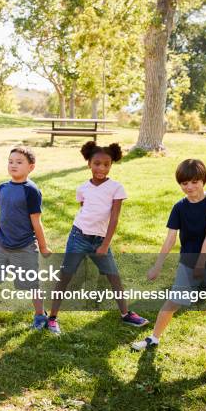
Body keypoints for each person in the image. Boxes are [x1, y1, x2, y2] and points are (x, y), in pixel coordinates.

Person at [131, 159, 206, 370]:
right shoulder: (179, 207)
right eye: (184, 183)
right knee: (173, 302)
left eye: (194, 182)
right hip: (188, 263)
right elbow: (171, 238)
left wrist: (201, 265)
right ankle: (154, 338)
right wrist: (157, 265)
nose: (189, 187)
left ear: (203, 180)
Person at [47, 141, 148, 335]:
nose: (101, 168)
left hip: (100, 241)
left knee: (114, 276)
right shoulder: (82, 188)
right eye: (97, 163)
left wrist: (105, 244)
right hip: (78, 236)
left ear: (111, 165)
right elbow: (84, 210)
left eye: (106, 164)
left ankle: (126, 314)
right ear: (89, 164)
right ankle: (52, 318)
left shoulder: (116, 188)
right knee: (66, 276)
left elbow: (114, 218)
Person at [0, 146, 52, 331]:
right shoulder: (2, 187)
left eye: (19, 162)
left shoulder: (31, 191)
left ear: (31, 167)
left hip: (24, 245)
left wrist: (43, 247)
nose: (13, 165)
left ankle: (40, 315)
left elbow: (36, 222)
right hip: (1, 243)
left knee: (31, 282)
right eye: (10, 162)